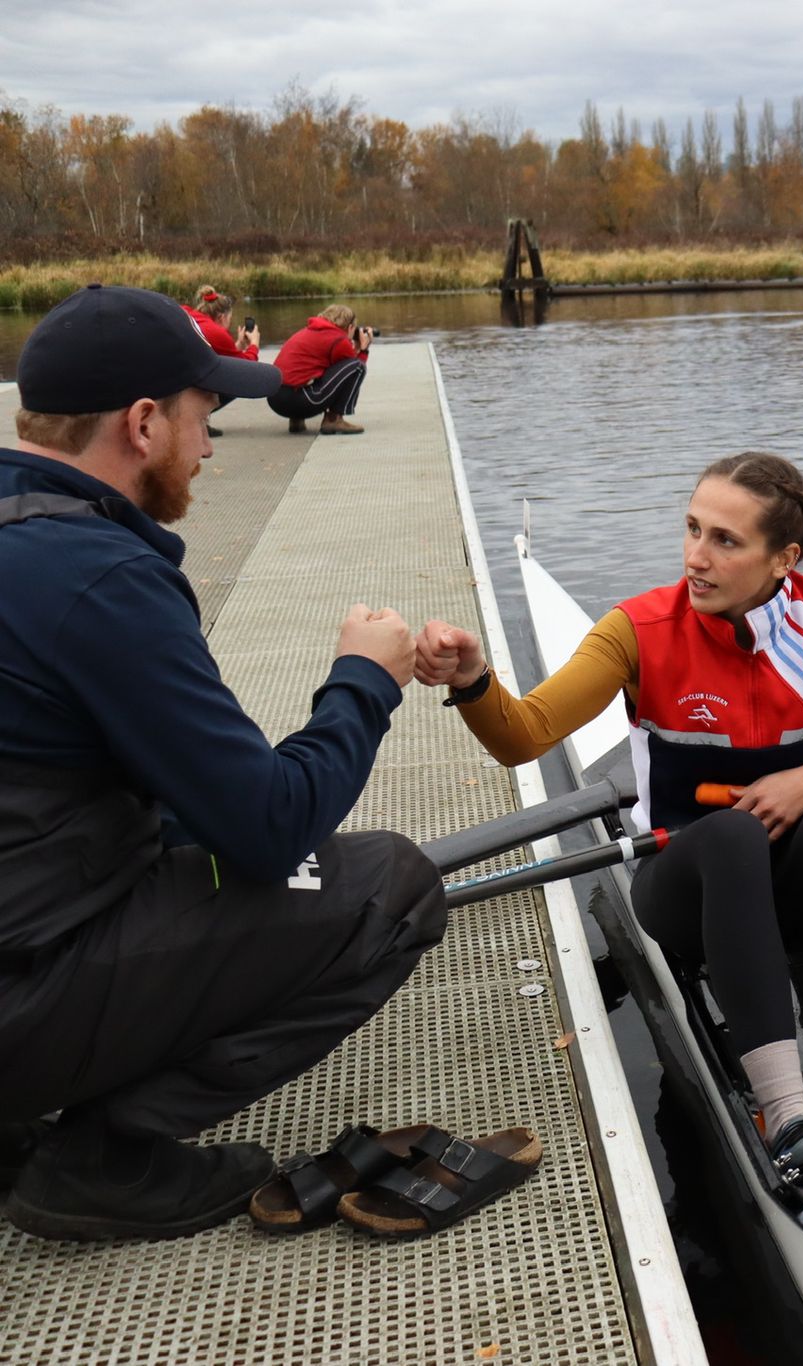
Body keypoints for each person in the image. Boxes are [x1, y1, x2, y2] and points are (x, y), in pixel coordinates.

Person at [0, 284, 445, 1242]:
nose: (210, 446)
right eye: (206, 417)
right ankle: (104, 1160)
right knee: (389, 885)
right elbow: (271, 824)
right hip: (20, 996)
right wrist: (363, 681)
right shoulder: (98, 578)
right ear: (144, 423)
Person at [414, 453, 803, 1167]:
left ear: (785, 559)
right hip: (684, 885)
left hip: (794, 887)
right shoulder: (638, 632)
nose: (695, 557)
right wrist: (472, 678)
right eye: (692, 529)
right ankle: (786, 1113)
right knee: (735, 836)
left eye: (724, 540)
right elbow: (521, 737)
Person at [268, 303, 373, 436]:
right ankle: (333, 419)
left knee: (308, 372)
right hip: (297, 402)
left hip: (275, 400)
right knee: (358, 367)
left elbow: (336, 370)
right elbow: (352, 368)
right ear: (350, 327)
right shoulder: (338, 339)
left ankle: (296, 420)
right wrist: (363, 350)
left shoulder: (307, 331)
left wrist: (355, 348)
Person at [180, 288, 260, 437]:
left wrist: (238, 346)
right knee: (236, 382)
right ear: (222, 317)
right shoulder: (215, 332)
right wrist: (254, 344)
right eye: (229, 319)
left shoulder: (193, 319)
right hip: (184, 389)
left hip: (176, 379)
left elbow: (212, 358)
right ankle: (197, 418)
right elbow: (247, 368)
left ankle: (198, 421)